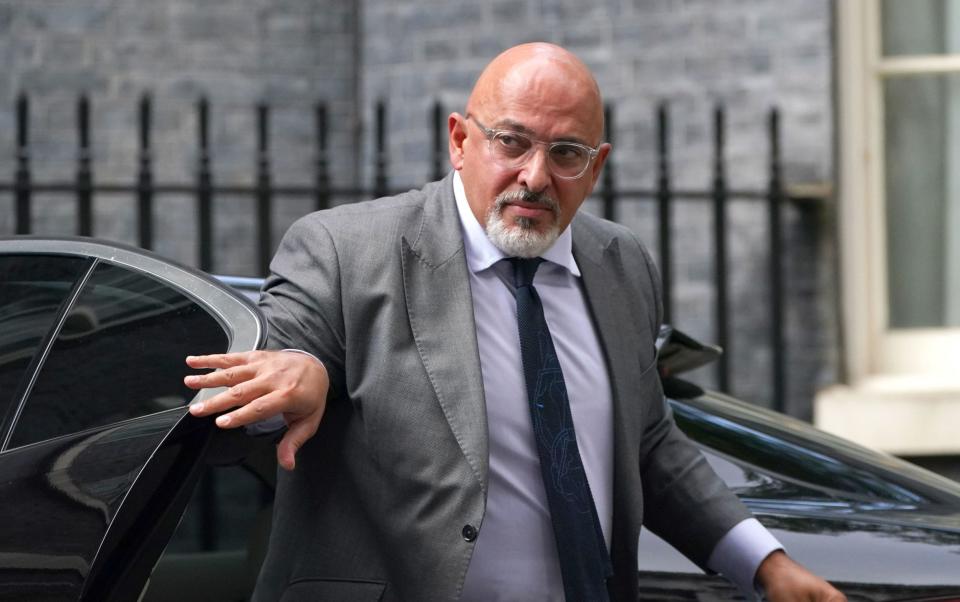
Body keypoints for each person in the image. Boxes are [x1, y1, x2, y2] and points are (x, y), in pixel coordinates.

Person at [184, 43, 846, 601]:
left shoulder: (621, 264)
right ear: (459, 140)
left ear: (596, 166)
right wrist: (298, 379)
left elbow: (649, 447)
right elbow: (274, 366)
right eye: (512, 142)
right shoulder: (345, 249)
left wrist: (765, 564)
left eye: (565, 154)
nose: (534, 176)